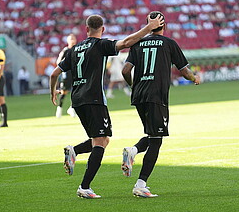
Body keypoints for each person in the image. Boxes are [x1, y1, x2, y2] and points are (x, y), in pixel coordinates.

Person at [50, 14, 164, 199]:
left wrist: (52, 92)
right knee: (101, 142)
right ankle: (84, 186)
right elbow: (126, 42)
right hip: (94, 98)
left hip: (77, 100)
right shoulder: (100, 45)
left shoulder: (74, 49)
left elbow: (54, 73)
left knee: (101, 139)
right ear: (102, 30)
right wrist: (149, 28)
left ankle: (75, 151)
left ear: (86, 29)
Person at [121, 11, 200, 198]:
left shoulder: (138, 43)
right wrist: (194, 78)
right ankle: (140, 184)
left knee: (152, 134)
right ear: (164, 26)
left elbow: (125, 71)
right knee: (156, 140)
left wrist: (135, 85)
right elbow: (184, 71)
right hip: (157, 95)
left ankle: (134, 150)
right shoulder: (169, 44)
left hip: (139, 95)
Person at [55, 33, 77, 118]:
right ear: (68, 41)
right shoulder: (65, 51)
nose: (73, 40)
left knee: (76, 92)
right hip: (67, 75)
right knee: (64, 92)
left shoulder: (77, 49)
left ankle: (72, 108)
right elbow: (58, 62)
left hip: (75, 74)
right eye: (71, 39)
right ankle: (59, 108)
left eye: (74, 38)